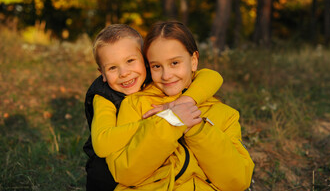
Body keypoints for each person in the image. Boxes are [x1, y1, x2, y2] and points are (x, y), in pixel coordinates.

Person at [105, 21, 255, 190]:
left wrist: (197, 128)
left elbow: (237, 181)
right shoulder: (135, 105)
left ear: (193, 61)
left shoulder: (225, 114)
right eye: (156, 66)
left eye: (174, 63)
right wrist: (171, 122)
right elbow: (125, 173)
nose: (166, 75)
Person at [84, 24, 224, 190]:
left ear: (144, 60)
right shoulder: (103, 96)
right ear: (103, 74)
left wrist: (185, 100)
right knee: (102, 171)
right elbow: (102, 144)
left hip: (143, 156)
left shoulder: (154, 72)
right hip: (109, 172)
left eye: (130, 61)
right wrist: (159, 120)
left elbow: (212, 76)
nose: (124, 73)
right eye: (113, 68)